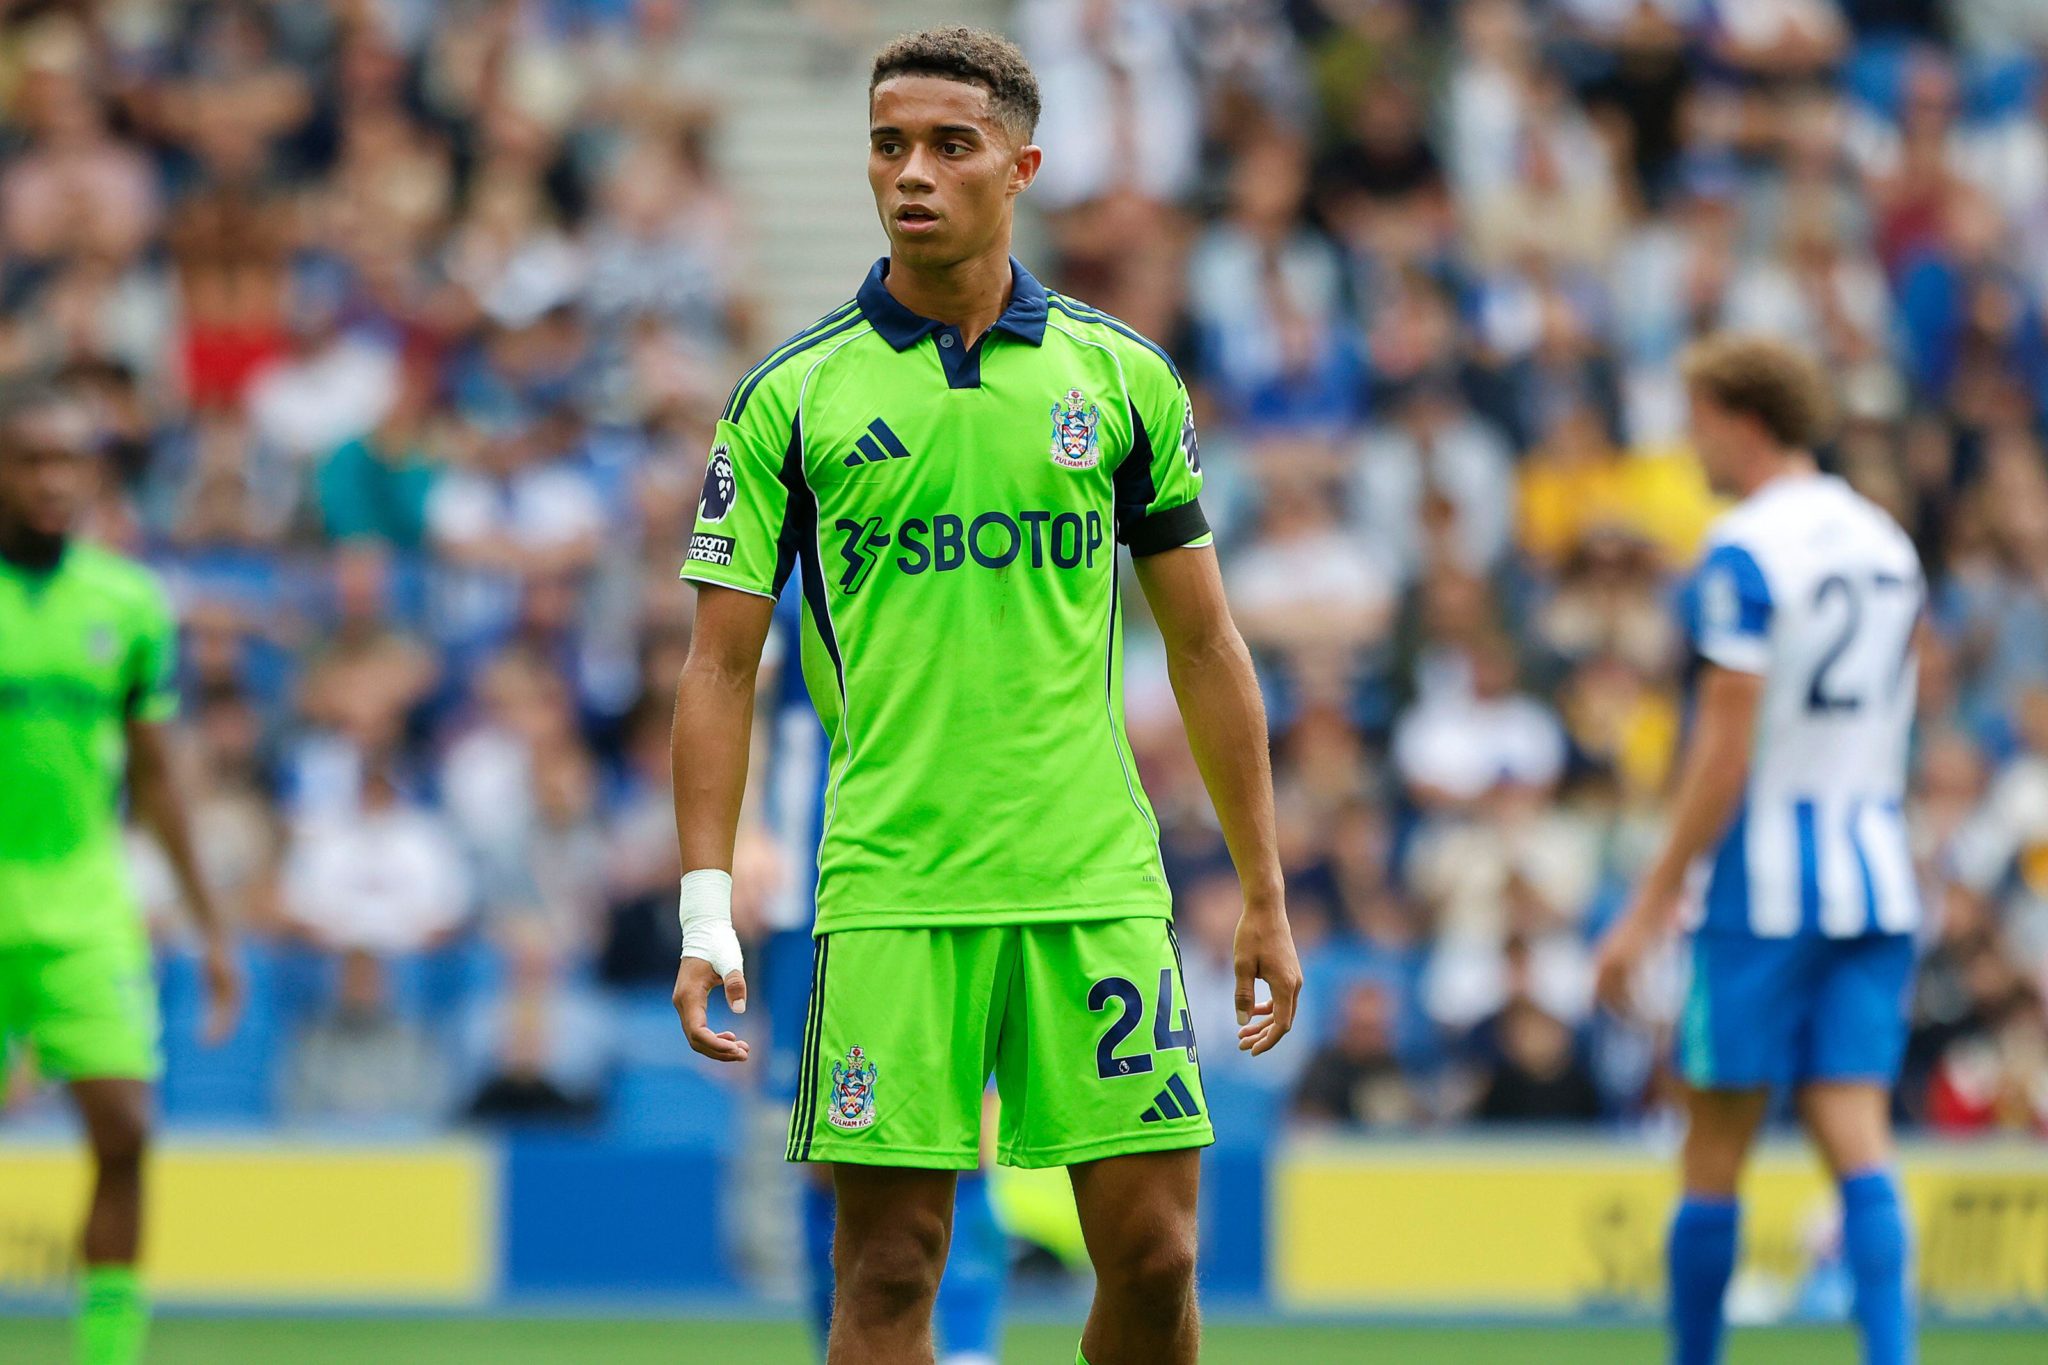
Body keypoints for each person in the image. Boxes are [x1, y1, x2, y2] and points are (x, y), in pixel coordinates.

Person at [668, 29, 1301, 1365]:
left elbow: (1204, 647)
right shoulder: (791, 395)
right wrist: (706, 907)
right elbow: (719, 667)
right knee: (888, 1269)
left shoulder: (1120, 377)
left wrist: (1263, 888)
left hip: (1092, 883)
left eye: (949, 145)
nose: (912, 172)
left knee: (1157, 1260)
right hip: (894, 890)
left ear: (1020, 168)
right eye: (888, 144)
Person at [1594, 334, 1923, 1365]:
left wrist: (1650, 901)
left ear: (1739, 421)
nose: (1690, 445)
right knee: (1855, 1132)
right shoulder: (1886, 542)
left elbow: (1723, 744)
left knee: (1714, 1148)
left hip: (1762, 888)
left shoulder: (1741, 549)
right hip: (1875, 872)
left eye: (1696, 422)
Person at [0, 383, 243, 1365]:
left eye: (70, 462)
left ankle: (106, 1353)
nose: (53, 481)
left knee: (127, 1130)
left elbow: (155, 776)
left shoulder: (129, 604)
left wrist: (210, 924)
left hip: (84, 905)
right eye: (31, 461)